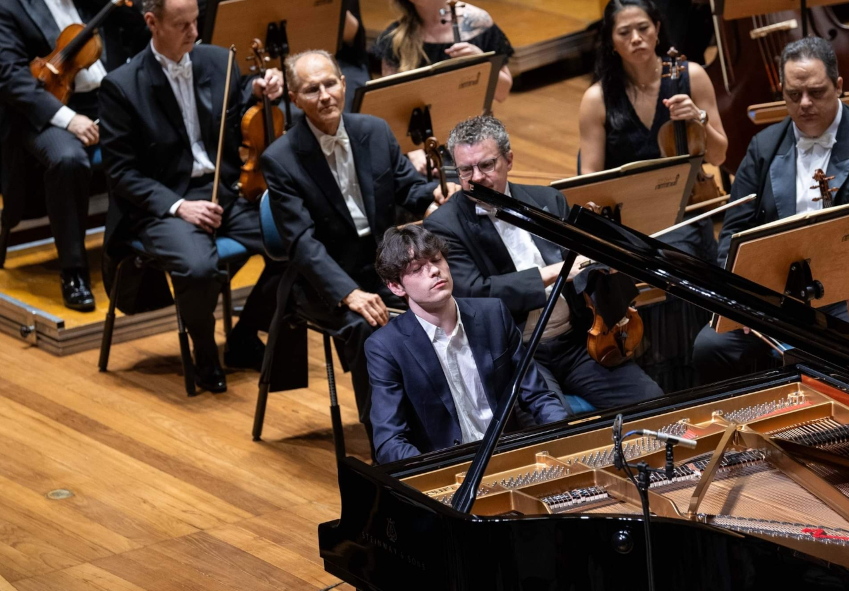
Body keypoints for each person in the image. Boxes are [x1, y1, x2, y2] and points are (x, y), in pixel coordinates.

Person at [261, 50, 459, 449]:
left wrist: (435, 194)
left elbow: (408, 188)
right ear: (296, 99)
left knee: (456, 295)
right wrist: (348, 293)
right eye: (311, 90)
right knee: (369, 331)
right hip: (325, 281)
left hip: (384, 268)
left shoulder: (374, 130)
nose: (324, 95)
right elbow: (301, 242)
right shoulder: (280, 159)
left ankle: (455, 422)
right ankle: (388, 446)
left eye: (330, 84)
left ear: (344, 84)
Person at [99, 0, 286, 393]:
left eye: (196, 22)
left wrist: (257, 88)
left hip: (225, 190)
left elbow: (236, 97)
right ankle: (203, 351)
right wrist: (180, 206)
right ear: (152, 23)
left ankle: (243, 336)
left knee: (295, 242)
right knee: (198, 269)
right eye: (182, 25)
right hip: (164, 204)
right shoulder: (121, 86)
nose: (194, 33)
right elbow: (121, 173)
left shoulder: (219, 61)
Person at [693, 37, 849, 385]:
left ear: (838, 86)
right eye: (793, 94)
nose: (804, 103)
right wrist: (742, 295)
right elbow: (732, 233)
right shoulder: (763, 147)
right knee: (710, 346)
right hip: (778, 294)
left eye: (816, 92)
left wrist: (831, 239)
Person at [425, 115, 664, 412]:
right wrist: (554, 273)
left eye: (486, 165)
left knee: (653, 402)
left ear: (509, 160)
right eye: (465, 170)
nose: (476, 178)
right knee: (553, 425)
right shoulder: (444, 226)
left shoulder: (547, 201)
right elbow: (477, 293)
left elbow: (584, 271)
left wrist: (604, 263)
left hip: (578, 343)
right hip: (519, 353)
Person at [365, 224, 568, 464]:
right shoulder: (386, 347)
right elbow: (390, 441)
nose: (434, 271)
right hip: (446, 469)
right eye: (418, 269)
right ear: (396, 286)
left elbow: (538, 396)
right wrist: (438, 476)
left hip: (509, 457)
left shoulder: (493, 314)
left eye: (437, 260)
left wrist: (567, 437)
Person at [0, 0, 146, 311]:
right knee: (68, 159)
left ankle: (146, 251)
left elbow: (139, 34)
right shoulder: (10, 7)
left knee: (157, 136)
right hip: (45, 108)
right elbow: (11, 77)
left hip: (107, 100)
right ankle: (73, 271)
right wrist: (68, 118)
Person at [578, 0, 727, 263]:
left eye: (643, 28)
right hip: (629, 215)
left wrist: (699, 119)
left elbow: (718, 157)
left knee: (676, 256)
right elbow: (589, 178)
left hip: (686, 209)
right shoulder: (596, 99)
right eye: (624, 33)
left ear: (657, 29)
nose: (636, 39)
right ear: (611, 41)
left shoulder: (692, 77)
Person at [373, 0, 515, 175]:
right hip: (420, 145)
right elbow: (392, 108)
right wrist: (414, 152)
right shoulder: (394, 39)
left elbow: (503, 92)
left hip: (474, 139)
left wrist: (481, 61)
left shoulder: (478, 23)